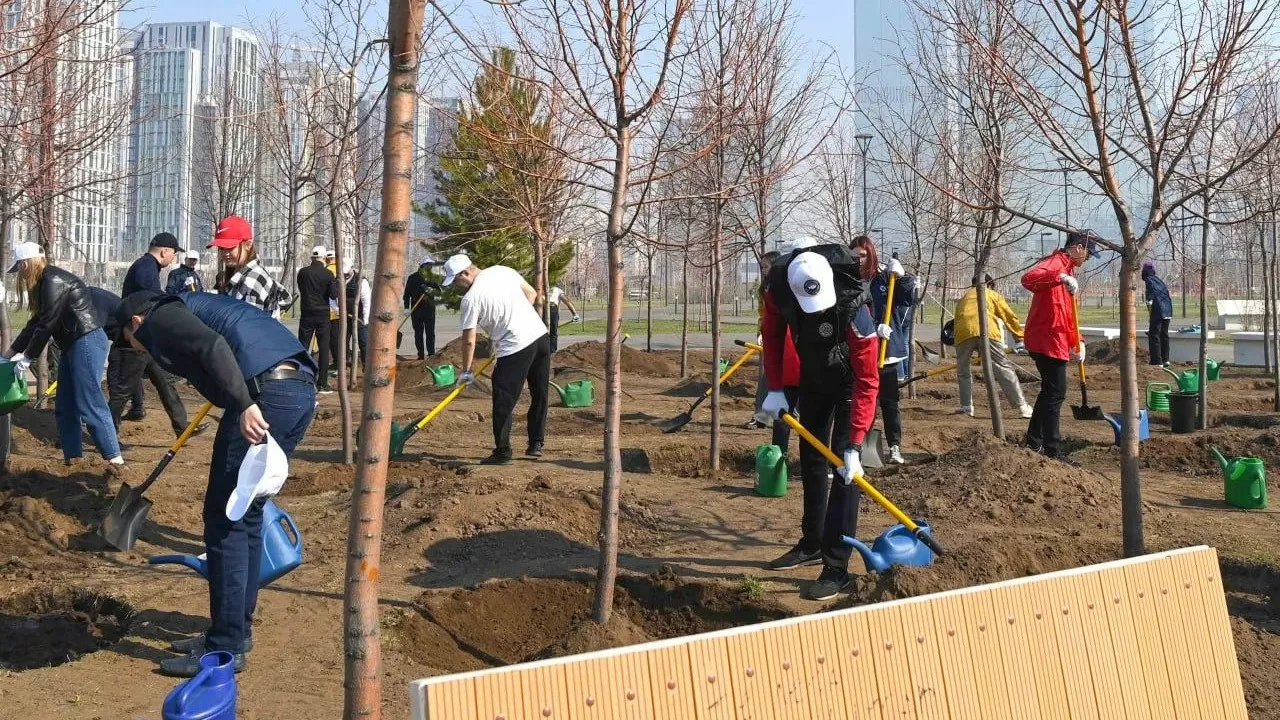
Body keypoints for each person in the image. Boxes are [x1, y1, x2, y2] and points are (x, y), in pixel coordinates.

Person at [116, 290, 316, 677]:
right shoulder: (195, 305)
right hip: (295, 388)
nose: (138, 350)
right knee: (246, 516)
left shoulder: (161, 315)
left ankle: (225, 645)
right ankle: (234, 633)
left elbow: (212, 345)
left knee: (225, 521)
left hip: (266, 395)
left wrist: (243, 404)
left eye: (131, 341)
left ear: (136, 323)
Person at [760, 241, 880, 601]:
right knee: (812, 459)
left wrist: (856, 443)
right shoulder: (779, 288)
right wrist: (777, 387)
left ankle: (837, 566)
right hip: (813, 376)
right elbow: (772, 334)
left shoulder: (854, 305)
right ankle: (812, 542)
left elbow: (868, 380)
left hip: (848, 382)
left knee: (845, 471)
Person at [4, 242, 122, 465]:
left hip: (85, 339)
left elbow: (47, 324)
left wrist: (28, 356)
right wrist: (9, 354)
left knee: (89, 401)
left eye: (19, 267)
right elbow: (35, 323)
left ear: (26, 264)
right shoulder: (43, 283)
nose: (19, 274)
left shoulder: (52, 280)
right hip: (72, 343)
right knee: (65, 405)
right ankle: (74, 458)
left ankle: (115, 459)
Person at [442, 254, 550, 465]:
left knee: (503, 400)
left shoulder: (471, 299)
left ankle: (502, 452)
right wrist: (515, 317)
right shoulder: (502, 270)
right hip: (540, 337)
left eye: (456, 280)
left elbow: (469, 340)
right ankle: (536, 443)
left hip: (515, 347)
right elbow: (532, 293)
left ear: (466, 272)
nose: (456, 285)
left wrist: (466, 371)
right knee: (540, 393)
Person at [1021, 231, 1096, 460]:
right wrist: (1058, 277)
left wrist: (1079, 342)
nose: (1087, 259)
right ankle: (1052, 448)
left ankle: (1034, 442)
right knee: (1055, 393)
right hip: (1045, 340)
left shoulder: (1069, 273)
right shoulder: (1055, 265)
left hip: (1055, 341)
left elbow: (1068, 317)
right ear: (1078, 248)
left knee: (1050, 393)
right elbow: (1028, 279)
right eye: (1088, 254)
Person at [114, 232, 193, 433]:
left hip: (146, 337)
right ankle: (106, 434)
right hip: (135, 336)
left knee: (164, 381)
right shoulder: (146, 266)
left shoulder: (149, 266)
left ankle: (182, 426)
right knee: (122, 391)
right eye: (174, 253)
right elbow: (149, 296)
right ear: (164, 251)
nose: (174, 257)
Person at [855, 236, 917, 466]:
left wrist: (903, 278)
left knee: (890, 403)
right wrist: (872, 328)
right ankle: (859, 445)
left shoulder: (884, 278)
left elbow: (907, 298)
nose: (859, 260)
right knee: (863, 401)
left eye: (862, 255)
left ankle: (894, 446)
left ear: (871, 254)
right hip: (862, 350)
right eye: (855, 255)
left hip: (886, 352)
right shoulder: (849, 280)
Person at [953, 274, 1034, 419]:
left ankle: (966, 407)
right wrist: (1019, 337)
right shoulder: (992, 294)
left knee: (963, 371)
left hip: (963, 334)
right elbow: (1008, 316)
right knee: (1002, 367)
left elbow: (958, 319)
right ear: (990, 284)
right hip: (988, 331)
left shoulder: (964, 298)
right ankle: (1022, 407)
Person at [209, 215, 291, 318]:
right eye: (221, 248)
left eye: (230, 247)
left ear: (248, 245)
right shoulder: (239, 276)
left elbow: (248, 327)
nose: (225, 253)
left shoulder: (252, 281)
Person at [296, 245, 338, 393]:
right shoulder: (328, 274)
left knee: (303, 346)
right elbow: (333, 295)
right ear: (323, 258)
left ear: (312, 257)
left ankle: (300, 378)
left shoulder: (302, 272)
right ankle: (322, 383)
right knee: (324, 348)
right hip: (322, 314)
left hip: (306, 312)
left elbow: (301, 289)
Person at [403, 258, 440, 359]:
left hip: (429, 309)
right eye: (427, 265)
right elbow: (406, 294)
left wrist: (432, 290)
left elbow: (439, 291)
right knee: (418, 333)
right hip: (416, 310)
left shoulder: (433, 278)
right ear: (422, 266)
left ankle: (431, 354)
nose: (429, 267)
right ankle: (420, 355)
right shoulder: (412, 278)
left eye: (430, 265)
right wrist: (406, 307)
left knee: (430, 333)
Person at [1143, 261, 1173, 367]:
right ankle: (1166, 360)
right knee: (1164, 334)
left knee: (1154, 335)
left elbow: (1150, 295)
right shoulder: (1159, 280)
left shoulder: (1149, 280)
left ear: (1145, 271)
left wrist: (1149, 303)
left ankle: (1156, 361)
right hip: (1168, 309)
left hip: (1158, 310)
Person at [344, 267, 371, 369]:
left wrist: (365, 319)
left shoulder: (361, 281)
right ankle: (346, 362)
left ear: (351, 269)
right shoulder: (339, 279)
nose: (345, 274)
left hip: (359, 317)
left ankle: (366, 365)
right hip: (346, 317)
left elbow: (366, 301)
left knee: (363, 341)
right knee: (343, 341)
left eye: (347, 272)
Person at [544, 284, 580, 352]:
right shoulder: (558, 290)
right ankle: (552, 351)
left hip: (542, 307)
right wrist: (575, 314)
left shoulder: (543, 287)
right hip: (552, 308)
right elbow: (567, 301)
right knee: (553, 332)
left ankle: (544, 350)